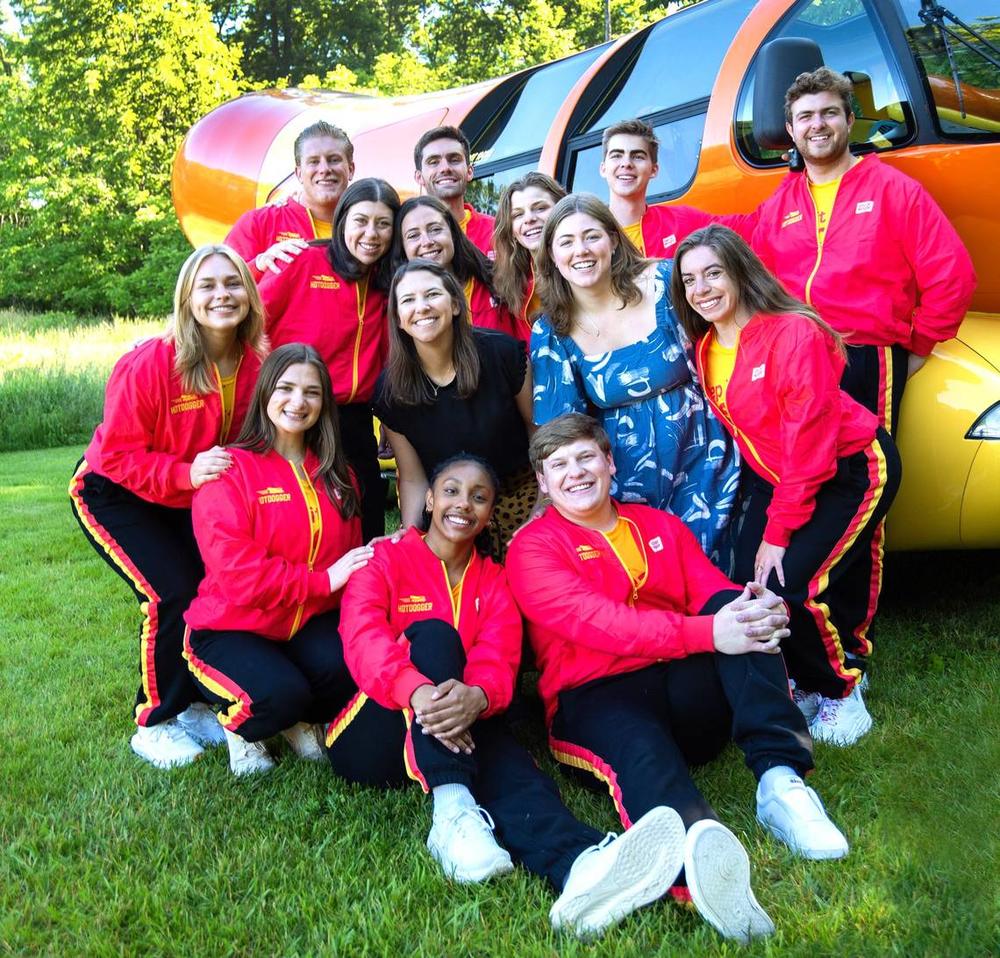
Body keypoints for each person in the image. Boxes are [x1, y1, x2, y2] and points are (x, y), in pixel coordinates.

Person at [506, 414, 852, 944]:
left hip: (679, 686)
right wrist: (711, 633)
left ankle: (781, 779)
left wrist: (755, 610)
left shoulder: (657, 525)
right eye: (559, 465)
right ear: (544, 482)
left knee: (739, 613)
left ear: (609, 462)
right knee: (648, 751)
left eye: (585, 457)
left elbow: (711, 594)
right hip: (594, 697)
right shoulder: (533, 548)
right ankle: (703, 872)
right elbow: (602, 624)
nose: (575, 473)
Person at [331, 454, 692, 938]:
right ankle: (453, 813)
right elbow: (362, 637)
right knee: (437, 638)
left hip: (461, 728)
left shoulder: (495, 579)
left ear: (490, 512)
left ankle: (579, 864)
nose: (465, 504)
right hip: (373, 736)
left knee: (504, 756)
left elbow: (500, 655)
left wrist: (477, 697)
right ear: (430, 498)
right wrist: (415, 691)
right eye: (453, 491)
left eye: (480, 497)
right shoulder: (386, 559)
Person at [673, 225, 902, 745]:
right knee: (743, 583)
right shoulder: (708, 346)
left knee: (788, 586)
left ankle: (841, 692)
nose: (702, 288)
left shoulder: (793, 333)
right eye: (689, 280)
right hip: (782, 478)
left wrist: (779, 531)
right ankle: (799, 676)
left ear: (740, 272)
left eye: (713, 273)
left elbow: (810, 443)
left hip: (850, 469)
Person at [69, 244, 267, 769]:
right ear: (187, 297)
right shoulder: (151, 362)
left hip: (186, 495)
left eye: (233, 283)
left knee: (209, 589)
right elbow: (115, 455)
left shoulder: (256, 363)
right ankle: (153, 721)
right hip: (115, 492)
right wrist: (183, 473)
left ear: (250, 294)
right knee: (169, 593)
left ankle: (192, 701)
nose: (222, 295)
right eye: (208, 285)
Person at [750, 67, 976, 435]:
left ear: (850, 120)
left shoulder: (894, 189)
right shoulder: (780, 202)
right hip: (796, 357)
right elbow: (757, 282)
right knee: (808, 469)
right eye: (805, 116)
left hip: (864, 357)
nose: (817, 125)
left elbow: (953, 277)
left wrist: (916, 347)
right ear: (791, 131)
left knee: (867, 472)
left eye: (830, 113)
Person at [182, 343, 373, 775]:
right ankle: (240, 724)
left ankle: (296, 719)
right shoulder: (231, 470)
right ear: (266, 391)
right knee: (277, 694)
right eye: (286, 388)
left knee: (354, 662)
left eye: (311, 392)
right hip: (230, 627)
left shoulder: (338, 474)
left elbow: (351, 559)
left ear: (324, 403)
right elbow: (238, 577)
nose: (298, 402)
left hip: (301, 624)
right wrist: (323, 582)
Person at [531, 192, 739, 567]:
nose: (581, 250)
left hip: (708, 457)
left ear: (612, 239)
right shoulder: (552, 331)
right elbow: (560, 429)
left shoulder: (663, 281)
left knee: (721, 578)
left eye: (591, 236)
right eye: (566, 241)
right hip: (628, 483)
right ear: (552, 256)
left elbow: (731, 337)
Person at [258, 177, 401, 543]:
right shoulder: (303, 260)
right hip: (297, 410)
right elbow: (248, 323)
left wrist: (386, 418)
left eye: (383, 224)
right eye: (361, 221)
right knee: (303, 512)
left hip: (354, 417)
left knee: (365, 508)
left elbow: (387, 354)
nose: (371, 233)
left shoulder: (389, 282)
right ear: (342, 222)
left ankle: (361, 591)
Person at [375, 261, 535, 558]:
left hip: (521, 494)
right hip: (452, 509)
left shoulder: (502, 355)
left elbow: (538, 432)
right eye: (408, 300)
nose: (421, 307)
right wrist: (411, 537)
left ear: (455, 305)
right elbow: (412, 477)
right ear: (398, 319)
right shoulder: (391, 390)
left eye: (432, 294)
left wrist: (545, 504)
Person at [600, 119, 754, 258]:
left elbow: (751, 226)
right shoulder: (586, 233)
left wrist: (780, 188)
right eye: (616, 155)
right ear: (603, 168)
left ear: (654, 170)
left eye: (638, 156)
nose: (626, 163)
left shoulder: (680, 221)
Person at [226, 121, 356, 280]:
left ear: (350, 169)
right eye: (313, 161)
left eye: (334, 159)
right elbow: (220, 282)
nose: (324, 169)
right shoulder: (260, 223)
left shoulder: (370, 226)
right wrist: (259, 265)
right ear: (299, 173)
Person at [391, 195, 519, 340]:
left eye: (435, 229)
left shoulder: (496, 278)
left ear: (453, 233)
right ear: (402, 247)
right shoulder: (403, 306)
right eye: (413, 235)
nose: (426, 242)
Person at [492, 172, 567, 340]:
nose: (529, 219)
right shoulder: (514, 279)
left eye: (540, 208)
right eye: (518, 215)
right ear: (511, 230)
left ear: (562, 209)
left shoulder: (581, 266)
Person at [413, 125, 494, 256]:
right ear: (419, 177)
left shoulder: (497, 231)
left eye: (454, 160)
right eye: (433, 162)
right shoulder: (409, 241)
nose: (445, 168)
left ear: (469, 171)